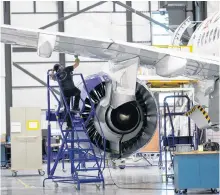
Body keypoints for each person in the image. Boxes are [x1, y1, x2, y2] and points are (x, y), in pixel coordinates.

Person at [51, 57, 81, 128]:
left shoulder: (57, 75)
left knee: (66, 109)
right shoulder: (67, 69)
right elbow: (77, 64)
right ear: (61, 67)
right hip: (72, 89)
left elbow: (51, 77)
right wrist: (77, 58)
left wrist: (53, 70)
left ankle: (69, 125)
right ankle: (75, 107)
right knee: (78, 92)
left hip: (65, 93)